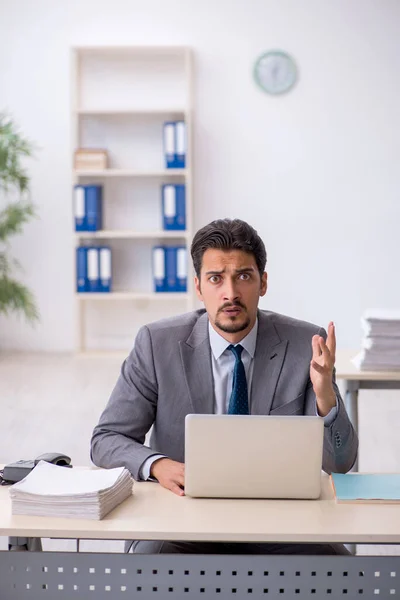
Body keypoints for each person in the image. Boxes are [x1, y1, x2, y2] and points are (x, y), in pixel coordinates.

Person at [91, 218, 358, 555]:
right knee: (146, 565)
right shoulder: (157, 344)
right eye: (216, 279)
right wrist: (157, 464)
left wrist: (324, 395)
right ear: (199, 287)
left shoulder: (306, 343)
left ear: (262, 283)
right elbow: (106, 439)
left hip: (282, 522)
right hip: (182, 521)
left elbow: (341, 463)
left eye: (243, 276)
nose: (230, 293)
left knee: (339, 570)